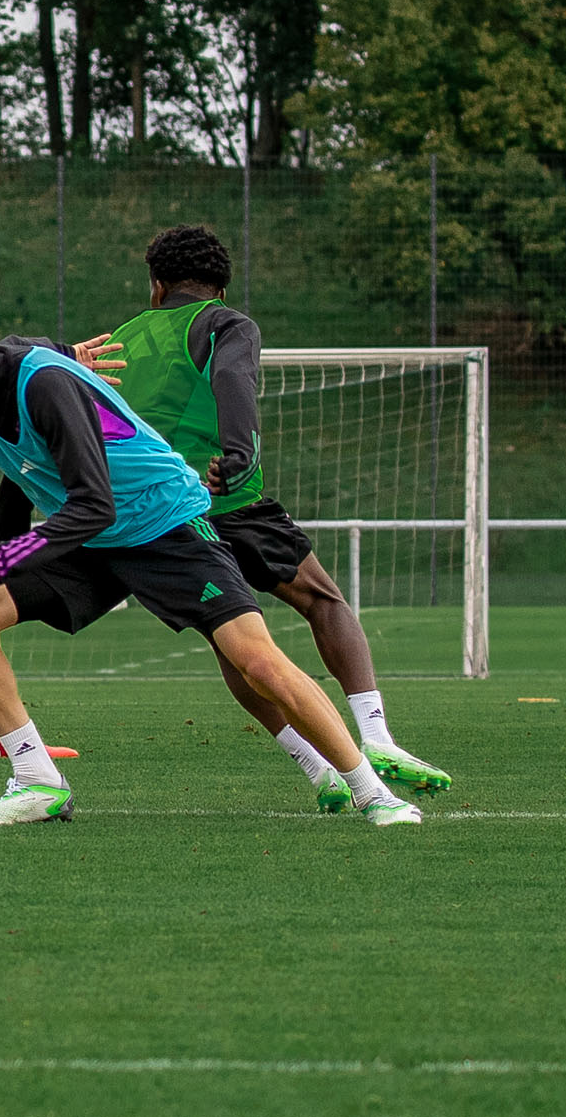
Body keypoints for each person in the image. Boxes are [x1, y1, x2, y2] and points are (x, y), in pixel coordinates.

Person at [0, 285, 421, 828]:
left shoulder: (45, 385)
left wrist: (2, 560)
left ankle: (372, 790)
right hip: (88, 539)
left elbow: (94, 503)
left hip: (164, 523)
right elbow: (23, 465)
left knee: (258, 660)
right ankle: (37, 780)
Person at [94, 224, 451, 806]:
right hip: (231, 498)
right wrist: (240, 451)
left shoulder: (122, 337)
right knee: (322, 600)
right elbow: (234, 376)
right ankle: (376, 736)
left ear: (155, 286)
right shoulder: (224, 323)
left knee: (230, 641)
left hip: (160, 515)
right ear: (221, 288)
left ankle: (317, 769)